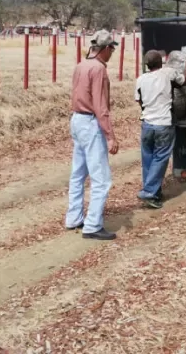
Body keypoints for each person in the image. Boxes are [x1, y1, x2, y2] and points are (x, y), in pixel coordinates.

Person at [65, 30, 120, 240]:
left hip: (76, 119)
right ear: (105, 49)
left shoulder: (81, 65)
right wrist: (110, 135)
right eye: (112, 49)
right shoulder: (98, 69)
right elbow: (100, 106)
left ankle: (73, 218)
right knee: (101, 179)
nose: (112, 53)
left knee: (78, 173)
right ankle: (93, 225)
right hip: (90, 122)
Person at [134, 50, 186, 209]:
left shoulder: (140, 79)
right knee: (160, 158)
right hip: (164, 124)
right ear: (161, 63)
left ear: (147, 65)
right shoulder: (168, 73)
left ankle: (154, 193)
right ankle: (149, 192)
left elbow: (139, 101)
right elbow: (185, 80)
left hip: (147, 124)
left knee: (148, 159)